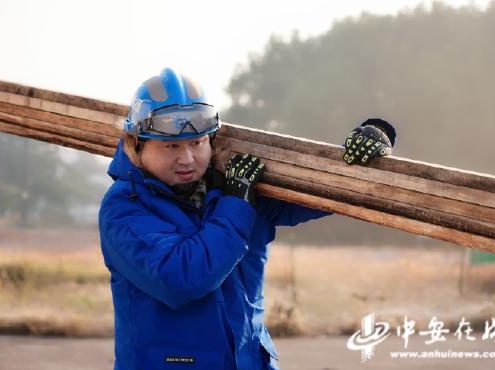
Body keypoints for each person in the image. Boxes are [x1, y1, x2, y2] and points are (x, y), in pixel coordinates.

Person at [99, 67, 396, 370]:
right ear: (136, 142)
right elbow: (180, 279)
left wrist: (370, 146)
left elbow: (330, 194)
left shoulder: (236, 186)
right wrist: (238, 203)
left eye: (197, 143)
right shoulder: (125, 206)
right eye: (172, 146)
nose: (187, 159)